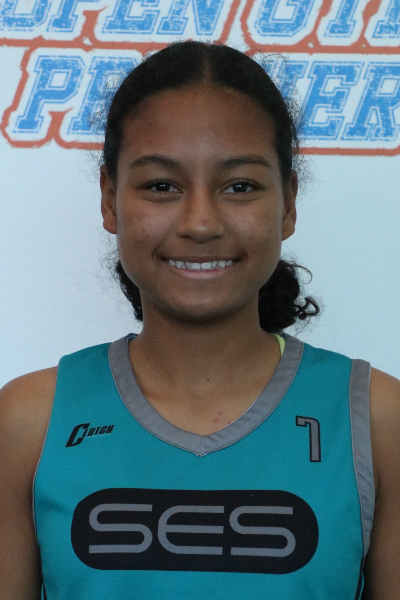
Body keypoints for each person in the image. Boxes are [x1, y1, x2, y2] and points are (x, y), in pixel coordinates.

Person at [0, 41, 399, 600]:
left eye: (240, 186)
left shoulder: (376, 420)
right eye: (162, 186)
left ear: (287, 204)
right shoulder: (29, 422)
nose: (201, 222)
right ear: (110, 199)